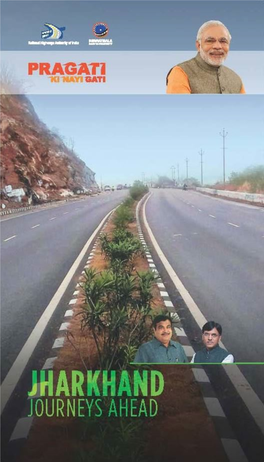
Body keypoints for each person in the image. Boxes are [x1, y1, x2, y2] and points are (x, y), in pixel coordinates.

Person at [166, 20, 245, 94]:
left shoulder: (235, 79)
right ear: (198, 45)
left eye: (223, 41)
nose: (217, 46)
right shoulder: (180, 72)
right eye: (210, 41)